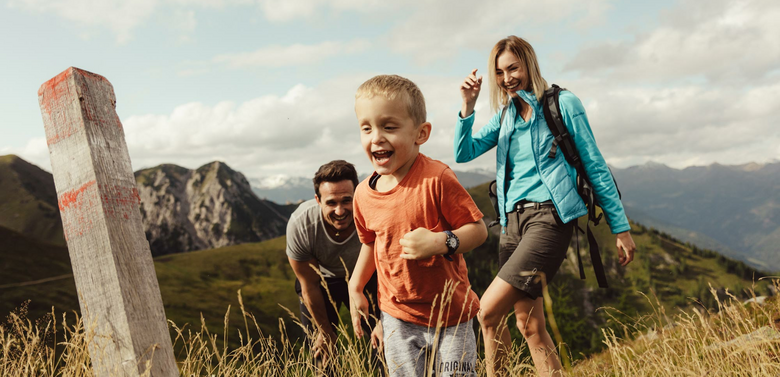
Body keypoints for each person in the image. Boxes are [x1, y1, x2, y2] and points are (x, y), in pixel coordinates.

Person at [454, 36, 637, 376]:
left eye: (513, 68)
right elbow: (463, 153)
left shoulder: (563, 104)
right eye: (499, 72)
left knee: (488, 313)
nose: (507, 78)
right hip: (511, 225)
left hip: (548, 220)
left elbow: (595, 165)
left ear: (529, 65)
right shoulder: (506, 115)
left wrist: (620, 227)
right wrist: (468, 106)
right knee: (529, 325)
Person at [348, 74, 488, 377]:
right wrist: (356, 285)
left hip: (451, 317)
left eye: (389, 126)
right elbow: (371, 243)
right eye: (366, 128)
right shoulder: (363, 194)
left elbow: (478, 230)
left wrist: (441, 242)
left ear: (420, 133)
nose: (376, 137)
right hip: (397, 316)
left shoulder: (437, 178)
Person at [286, 160, 382, 371]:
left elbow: (393, 266)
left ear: (358, 195)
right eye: (331, 203)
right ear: (318, 201)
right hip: (322, 280)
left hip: (368, 275)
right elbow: (308, 285)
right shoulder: (301, 224)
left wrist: (384, 322)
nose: (340, 211)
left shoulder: (375, 214)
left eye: (347, 201)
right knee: (321, 352)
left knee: (386, 345)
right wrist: (325, 332)